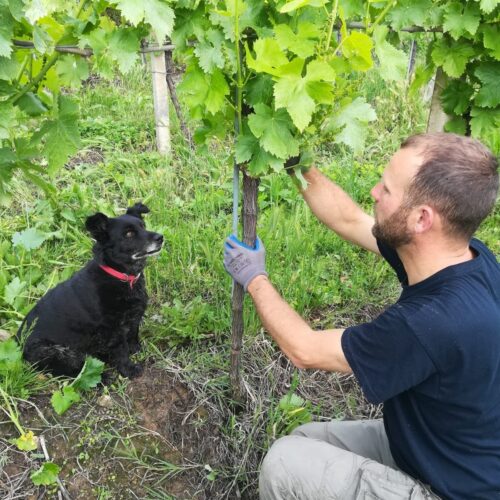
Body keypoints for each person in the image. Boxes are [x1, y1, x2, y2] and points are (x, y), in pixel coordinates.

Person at [223, 133, 500, 500]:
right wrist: (294, 160)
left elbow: (304, 349)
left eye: (386, 189)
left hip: (450, 490)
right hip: (436, 450)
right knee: (303, 440)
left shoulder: (431, 323)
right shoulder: (465, 257)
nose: (373, 192)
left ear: (421, 219)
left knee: (284, 462)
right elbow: (350, 219)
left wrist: (254, 277)